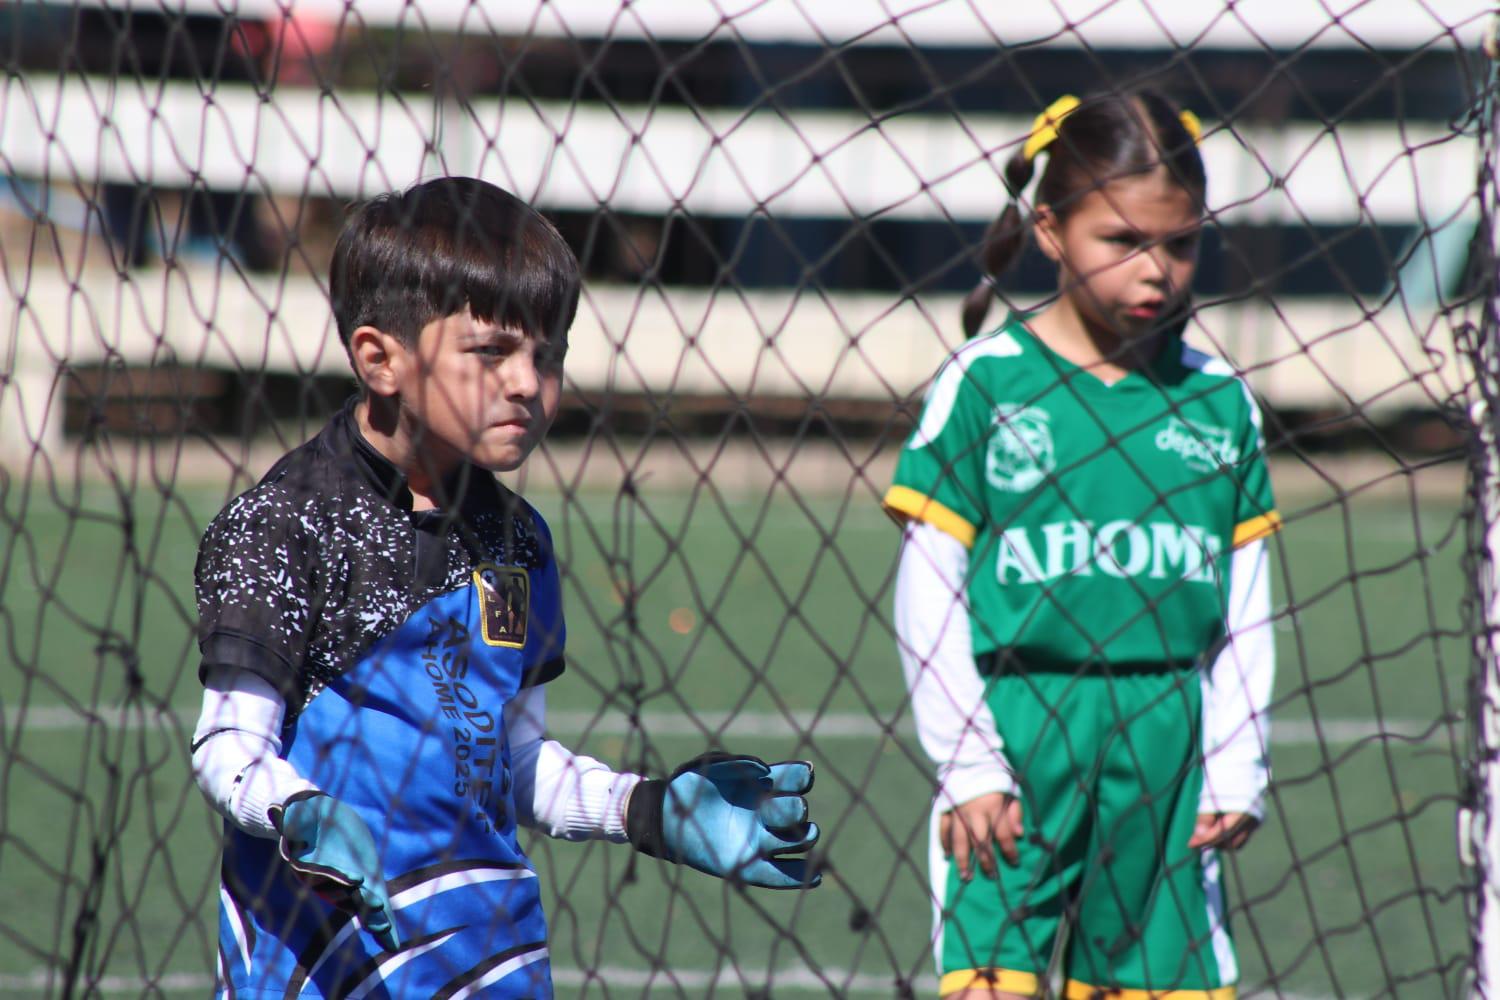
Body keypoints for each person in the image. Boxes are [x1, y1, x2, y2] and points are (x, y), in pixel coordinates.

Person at [189, 177, 821, 999]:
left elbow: (512, 764)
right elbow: (227, 747)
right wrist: (299, 812)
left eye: (546, 355)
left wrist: (649, 811)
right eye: (491, 353)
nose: (527, 382)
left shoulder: (519, 541)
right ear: (379, 358)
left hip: (490, 958)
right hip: (324, 962)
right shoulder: (283, 523)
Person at [884, 91, 1278, 999]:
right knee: (989, 981)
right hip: (1019, 737)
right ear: (1053, 232)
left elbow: (1248, 602)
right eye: (1124, 241)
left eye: (1180, 245)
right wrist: (969, 761)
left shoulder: (1220, 401)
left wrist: (1235, 760)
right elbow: (930, 590)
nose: (1158, 271)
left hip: (1166, 745)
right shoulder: (984, 385)